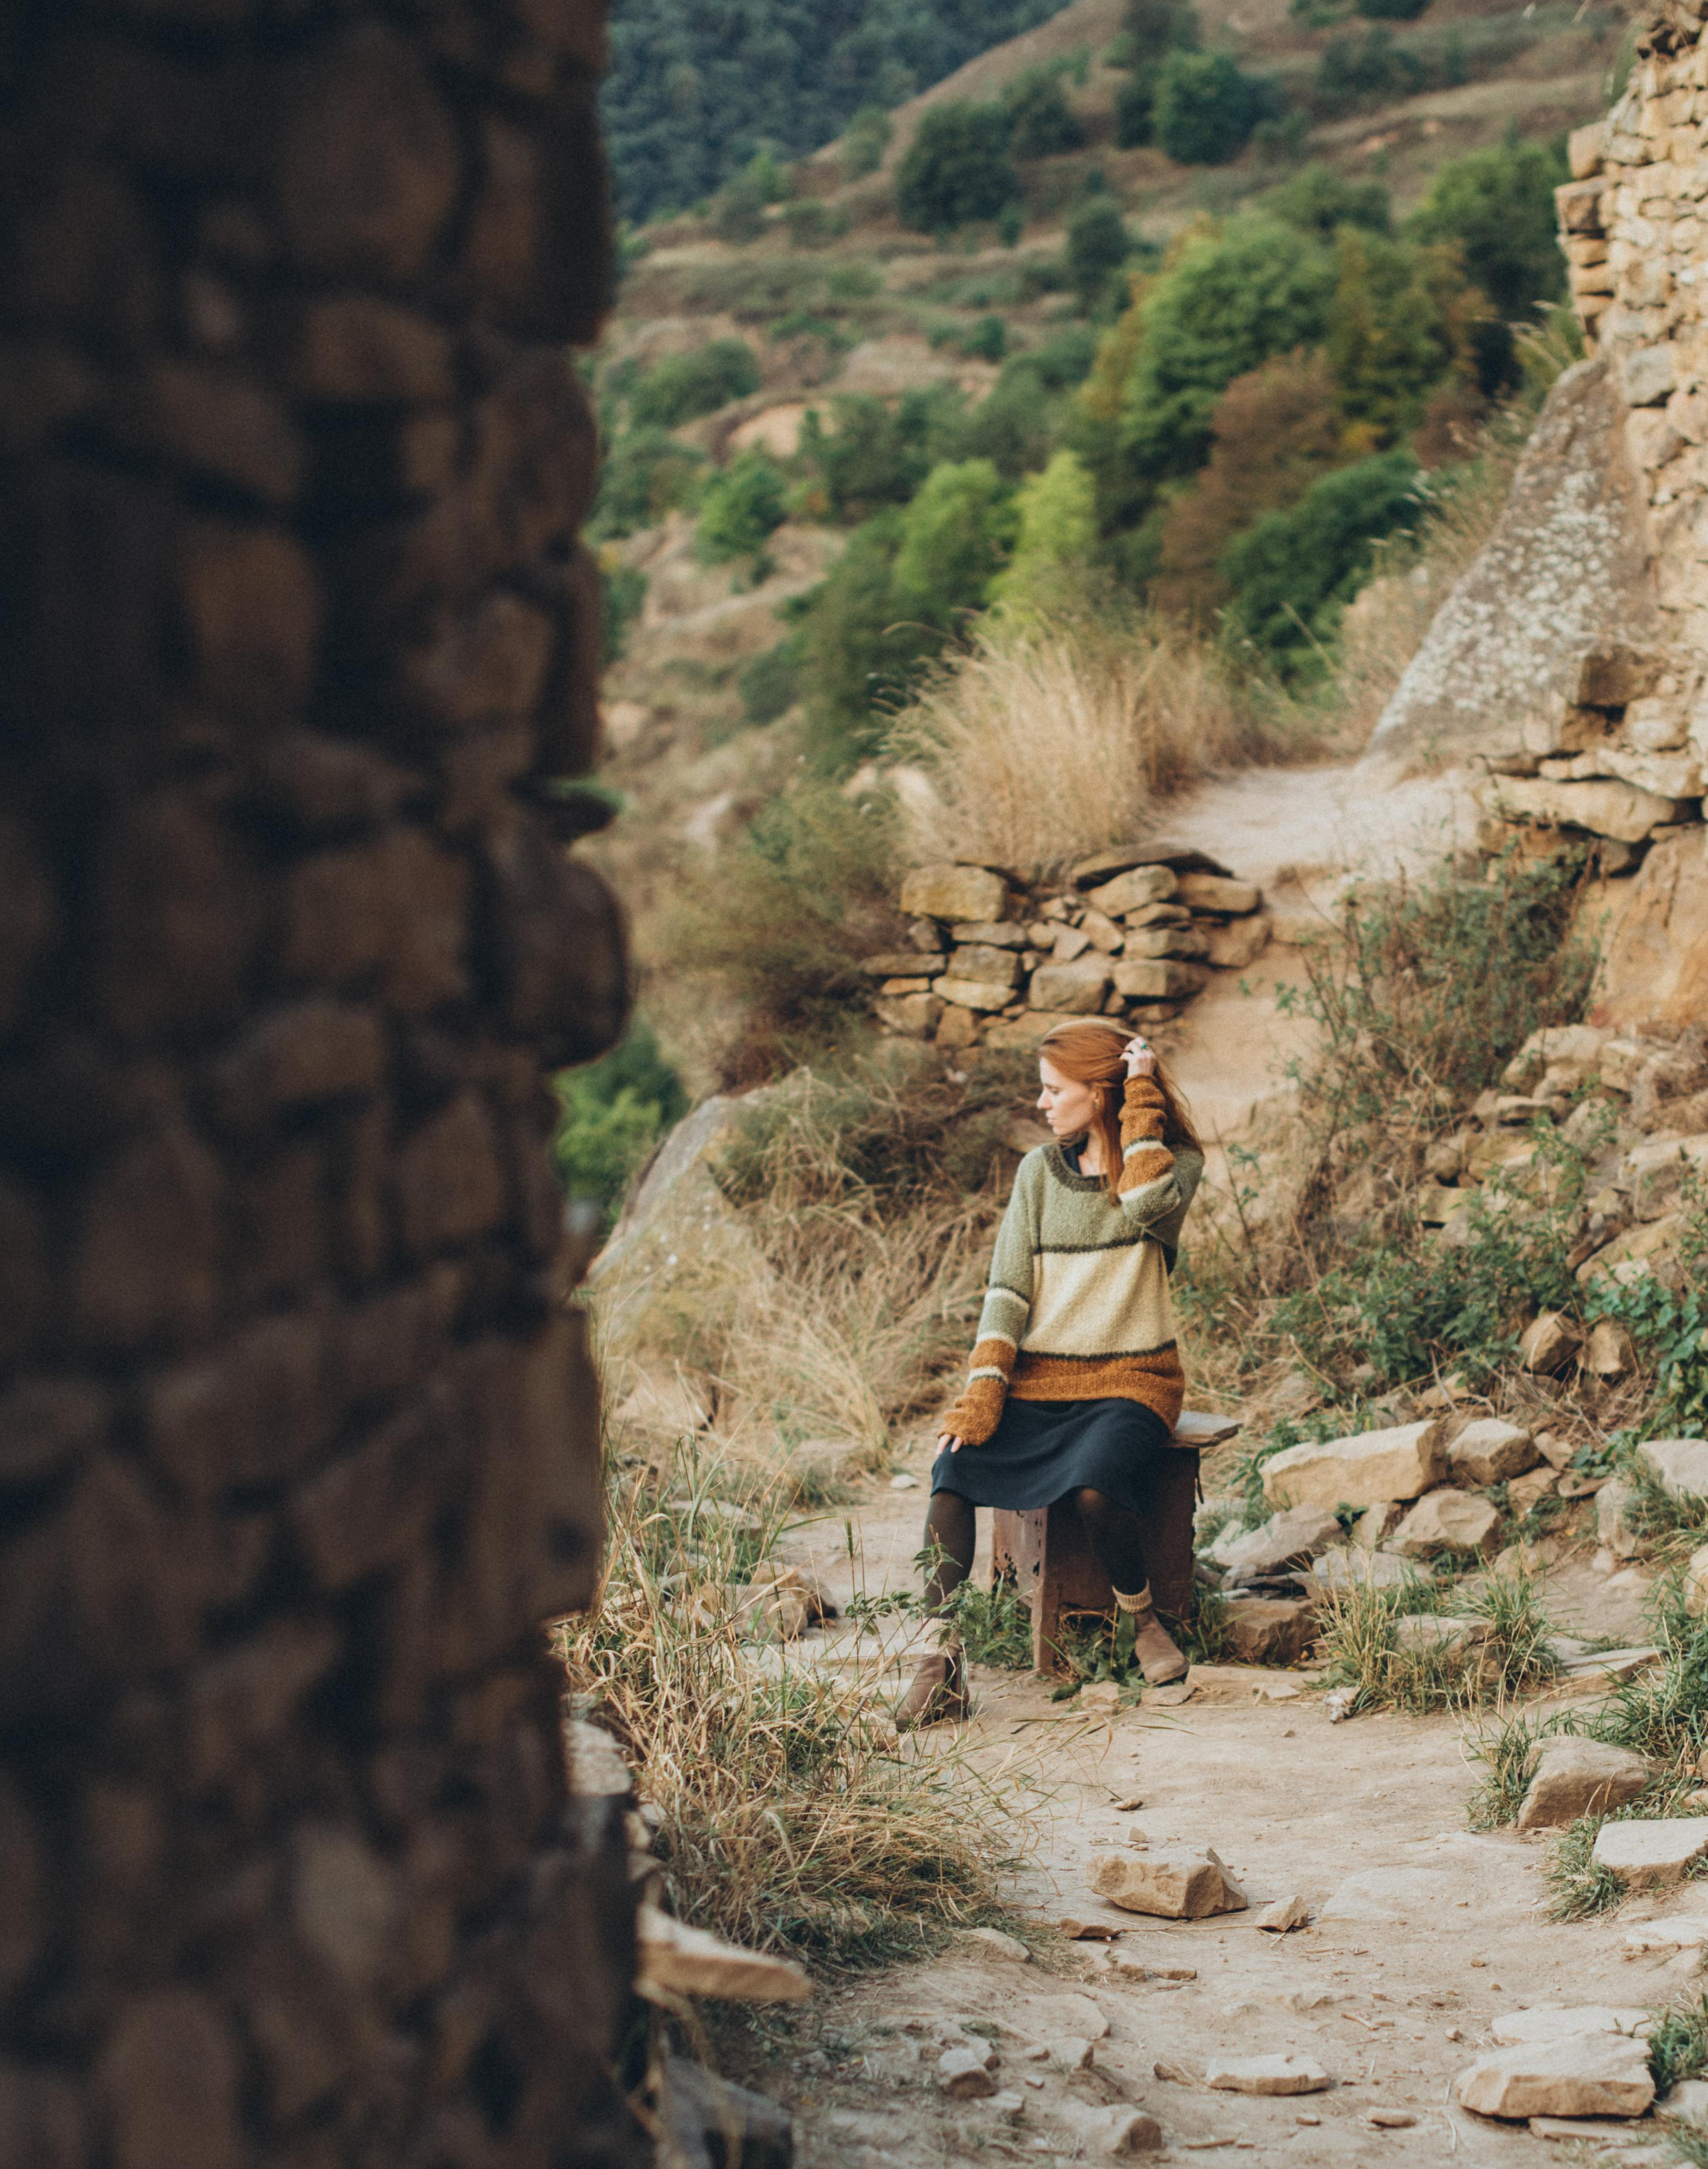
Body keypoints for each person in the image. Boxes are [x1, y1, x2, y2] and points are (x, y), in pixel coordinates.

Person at [896, 1015, 1206, 1729]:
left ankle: (1143, 1620)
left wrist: (1141, 1099)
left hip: (1135, 1379)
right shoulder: (1037, 1172)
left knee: (1097, 1487)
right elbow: (1006, 1291)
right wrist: (984, 1389)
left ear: (1098, 1093)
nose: (1041, 1103)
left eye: (1053, 1089)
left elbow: (1143, 1202)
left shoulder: (1172, 1166)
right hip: (1040, 1379)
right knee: (951, 1469)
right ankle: (937, 1661)